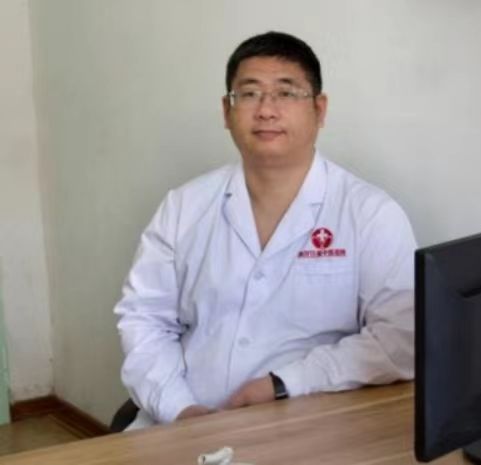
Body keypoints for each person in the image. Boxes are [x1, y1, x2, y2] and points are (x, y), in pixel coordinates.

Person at [114, 31, 417, 430]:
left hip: (310, 425)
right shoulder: (183, 206)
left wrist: (284, 384)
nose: (266, 110)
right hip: (181, 421)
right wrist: (179, 408)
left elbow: (400, 339)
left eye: (286, 93)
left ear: (319, 110)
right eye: (250, 94)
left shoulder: (370, 213)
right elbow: (144, 319)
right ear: (227, 112)